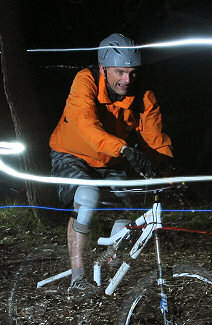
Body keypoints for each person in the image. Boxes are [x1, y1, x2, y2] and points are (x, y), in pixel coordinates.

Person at [48, 33, 174, 296]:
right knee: (87, 196)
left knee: (134, 208)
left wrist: (169, 177)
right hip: (72, 154)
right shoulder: (86, 80)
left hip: (111, 158)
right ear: (104, 69)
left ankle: (107, 268)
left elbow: (156, 141)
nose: (127, 80)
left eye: (132, 73)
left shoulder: (143, 96)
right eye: (119, 72)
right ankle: (78, 279)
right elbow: (85, 125)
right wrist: (125, 149)